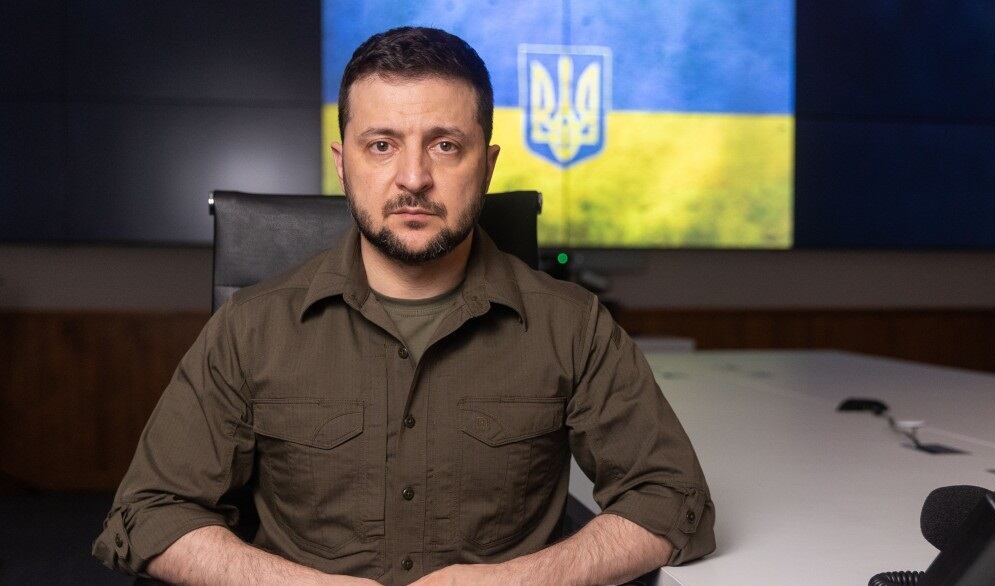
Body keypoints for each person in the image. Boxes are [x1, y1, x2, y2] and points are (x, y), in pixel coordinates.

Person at [92, 26, 715, 586]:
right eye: (382, 145)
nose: (413, 177)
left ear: (487, 165)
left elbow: (672, 499)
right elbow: (150, 513)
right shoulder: (248, 328)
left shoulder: (573, 326)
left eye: (444, 145)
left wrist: (517, 582)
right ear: (343, 164)